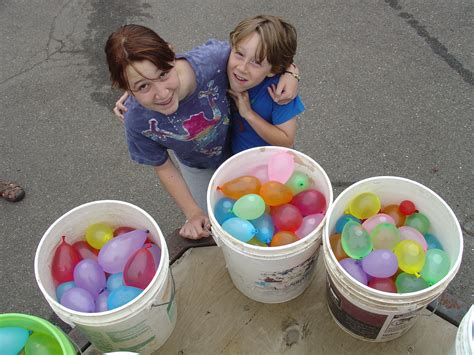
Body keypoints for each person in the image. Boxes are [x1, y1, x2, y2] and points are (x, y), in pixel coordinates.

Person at [105, 24, 299, 240]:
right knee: (215, 222)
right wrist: (193, 213)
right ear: (124, 86)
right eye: (143, 86)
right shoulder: (136, 121)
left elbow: (261, 53)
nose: (162, 93)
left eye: (163, 74)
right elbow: (163, 167)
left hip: (239, 150)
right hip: (198, 167)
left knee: (265, 210)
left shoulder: (213, 61)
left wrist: (291, 71)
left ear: (171, 54)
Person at [227, 15, 304, 154]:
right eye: (239, 54)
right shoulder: (223, 66)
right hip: (234, 159)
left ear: (273, 70)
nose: (242, 68)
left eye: (256, 62)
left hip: (270, 164)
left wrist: (249, 114)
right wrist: (292, 71)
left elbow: (287, 141)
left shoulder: (279, 91)